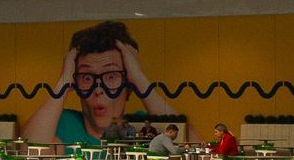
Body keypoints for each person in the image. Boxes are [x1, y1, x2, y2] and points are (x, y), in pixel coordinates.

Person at [23, 20, 179, 149]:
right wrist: (64, 80)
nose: (98, 90)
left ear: (129, 88)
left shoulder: (144, 125)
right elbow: (27, 155)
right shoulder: (61, 122)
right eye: (87, 77)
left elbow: (189, 152)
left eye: (111, 76)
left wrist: (139, 79)